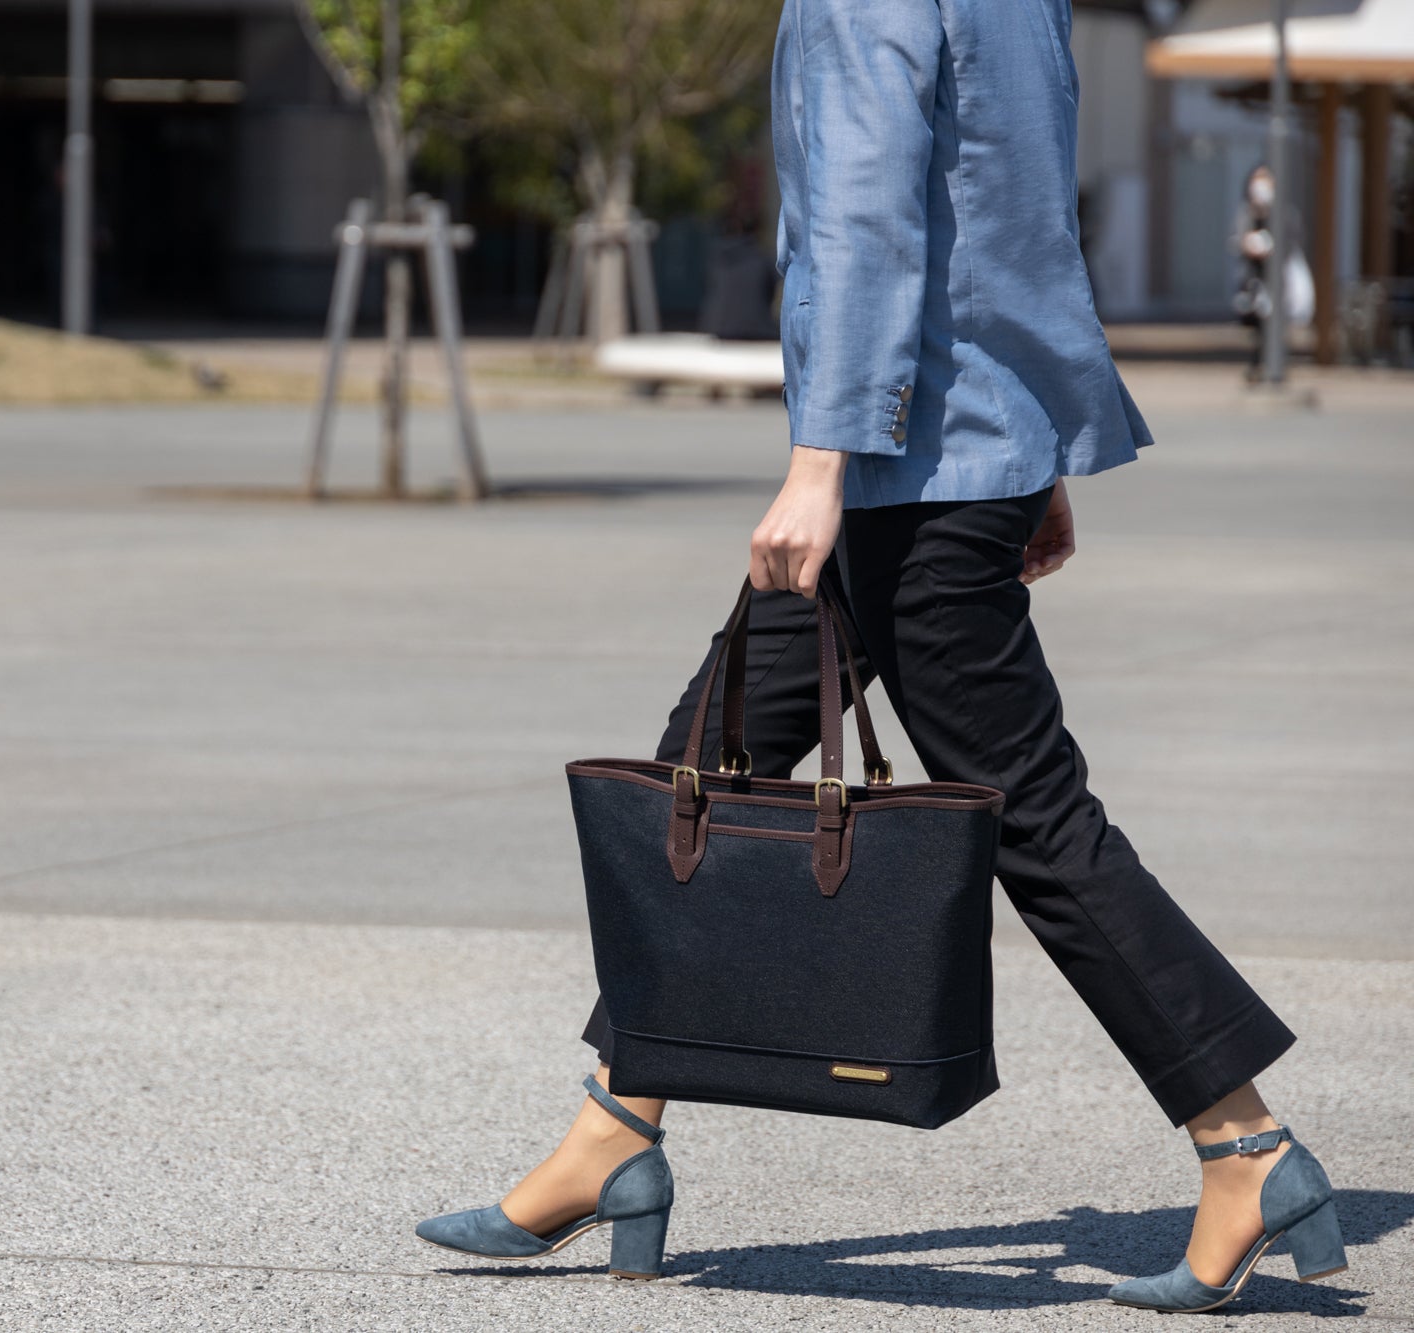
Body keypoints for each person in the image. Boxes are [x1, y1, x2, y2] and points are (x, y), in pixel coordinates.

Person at [413, 0, 1345, 1313]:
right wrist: (1031, 452)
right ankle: (612, 1132)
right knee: (702, 773)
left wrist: (818, 464)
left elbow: (866, 221)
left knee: (1033, 819)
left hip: (898, 473)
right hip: (956, 450)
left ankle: (1244, 1146)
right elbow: (1019, 214)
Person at [1231, 164, 1309, 382]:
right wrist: (1249, 244)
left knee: (1277, 323)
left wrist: (1272, 247)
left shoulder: (1284, 212)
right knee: (1259, 324)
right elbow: (1238, 239)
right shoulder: (1247, 212)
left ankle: (1275, 364)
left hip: (1279, 279)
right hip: (1255, 279)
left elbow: (1292, 241)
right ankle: (1260, 363)